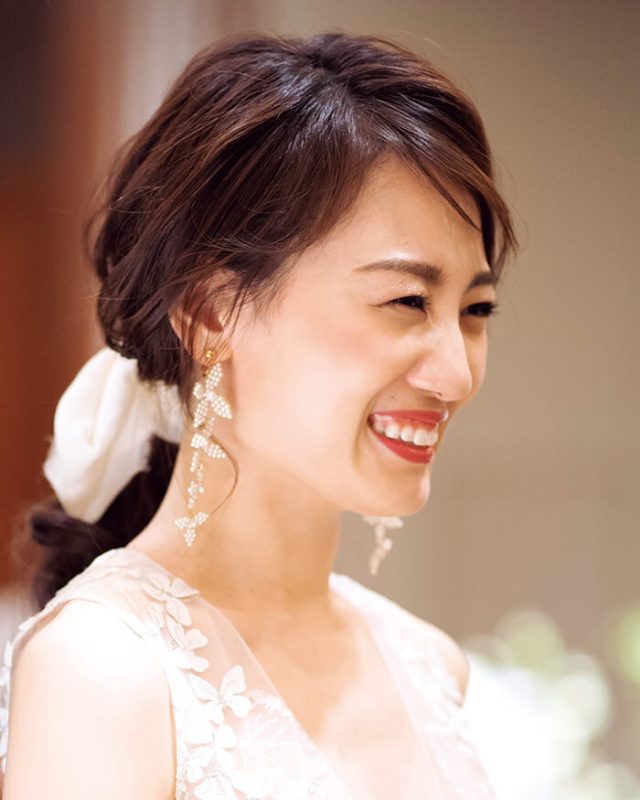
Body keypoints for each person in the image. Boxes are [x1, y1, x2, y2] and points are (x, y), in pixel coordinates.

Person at [0, 31, 517, 799]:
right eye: (407, 301)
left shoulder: (430, 665)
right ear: (210, 314)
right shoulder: (104, 670)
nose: (457, 373)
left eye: (475, 310)